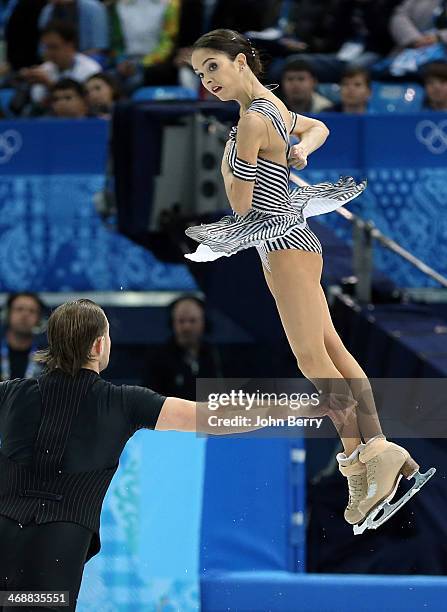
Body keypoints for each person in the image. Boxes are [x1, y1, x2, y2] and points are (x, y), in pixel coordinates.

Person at [186, 28, 435, 534]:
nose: (206, 80)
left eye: (212, 66)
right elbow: (318, 127)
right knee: (333, 352)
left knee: (313, 360)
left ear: (239, 61)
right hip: (300, 241)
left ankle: (360, 463)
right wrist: (300, 152)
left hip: (280, 245)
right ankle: (379, 452)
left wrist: (232, 159)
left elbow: (239, 207)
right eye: (198, 73)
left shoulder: (251, 120)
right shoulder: (271, 106)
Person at [0, 298, 275, 610]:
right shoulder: (123, 402)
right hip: (55, 549)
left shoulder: (11, 393)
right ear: (99, 345)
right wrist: (304, 405)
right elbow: (216, 416)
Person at [144, 295, 223, 399]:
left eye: (192, 321)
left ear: (204, 323)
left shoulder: (215, 356)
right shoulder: (157, 359)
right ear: (172, 324)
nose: (187, 327)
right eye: (181, 321)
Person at [17, 20, 101, 111]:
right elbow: (38, 102)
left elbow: (85, 103)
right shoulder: (45, 69)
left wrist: (49, 85)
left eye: (53, 47)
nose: (48, 53)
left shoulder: (90, 69)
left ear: (70, 45)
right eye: (46, 47)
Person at [38, 0, 109, 60]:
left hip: (89, 60)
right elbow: (42, 49)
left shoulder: (93, 7)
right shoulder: (48, 11)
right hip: (55, 62)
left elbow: (99, 47)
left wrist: (73, 61)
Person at [0, 293, 45, 381]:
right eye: (19, 309)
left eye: (32, 311)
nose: (25, 315)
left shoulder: (46, 356)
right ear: (7, 314)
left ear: (39, 319)